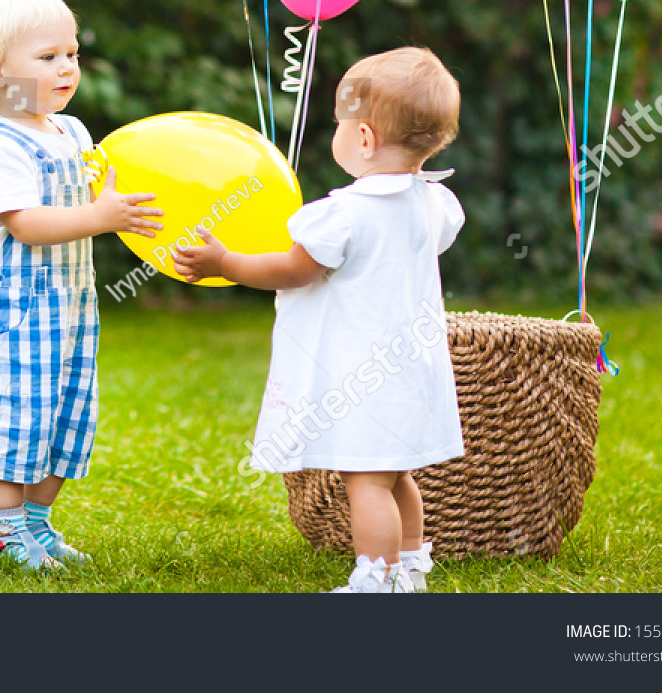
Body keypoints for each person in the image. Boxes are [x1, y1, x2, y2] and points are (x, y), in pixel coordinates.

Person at [172, 47, 464, 593]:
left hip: (362, 376)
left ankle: (375, 579)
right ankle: (409, 568)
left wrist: (225, 263)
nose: (336, 132)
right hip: (411, 369)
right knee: (396, 473)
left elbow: (293, 269)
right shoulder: (436, 202)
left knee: (366, 482)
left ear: (365, 139)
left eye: (340, 123)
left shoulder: (345, 214)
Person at [0, 0, 163, 570]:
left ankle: (37, 523)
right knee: (15, 420)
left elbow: (97, 192)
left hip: (68, 310)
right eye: (47, 57)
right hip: (11, 318)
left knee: (66, 418)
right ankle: (3, 532)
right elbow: (28, 224)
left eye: (71, 53)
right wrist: (99, 216)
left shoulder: (70, 132)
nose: (67, 67)